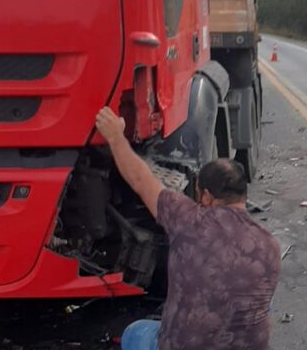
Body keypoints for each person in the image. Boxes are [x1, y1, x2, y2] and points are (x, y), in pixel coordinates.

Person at [94, 107, 281, 350]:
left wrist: (115, 137)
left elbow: (140, 179)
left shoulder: (187, 220)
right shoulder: (270, 245)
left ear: (205, 196)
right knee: (261, 296)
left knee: (136, 333)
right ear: (242, 194)